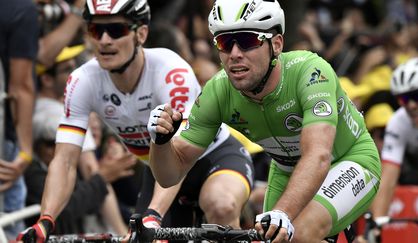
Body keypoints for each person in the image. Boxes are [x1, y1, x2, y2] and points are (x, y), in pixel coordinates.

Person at [16, 0, 254, 242]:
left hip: (210, 157)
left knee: (221, 205)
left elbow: (181, 153)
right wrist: (45, 222)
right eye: (96, 31)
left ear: (141, 33)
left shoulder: (170, 71)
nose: (105, 40)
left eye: (116, 30)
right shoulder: (82, 80)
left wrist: (153, 214)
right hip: (160, 170)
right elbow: (65, 160)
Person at [146, 0, 381, 242]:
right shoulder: (218, 92)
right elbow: (169, 176)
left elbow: (318, 156)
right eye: (225, 43)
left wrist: (282, 212)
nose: (235, 54)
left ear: (276, 44)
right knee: (274, 238)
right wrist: (161, 142)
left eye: (248, 41)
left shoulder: (310, 72)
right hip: (287, 170)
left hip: (349, 160)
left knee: (297, 235)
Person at [25, 102, 133, 234]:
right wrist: (101, 177)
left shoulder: (89, 159)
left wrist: (119, 158)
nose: (55, 150)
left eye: (59, 143)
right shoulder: (32, 173)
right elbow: (65, 209)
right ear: (36, 146)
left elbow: (131, 193)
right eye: (49, 144)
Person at [370, 57, 418, 223]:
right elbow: (388, 177)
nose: (411, 105)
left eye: (417, 96)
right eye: (404, 99)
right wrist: (376, 226)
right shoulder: (399, 121)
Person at [0, 0, 39, 240]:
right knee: (9, 227)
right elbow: (21, 86)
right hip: (4, 140)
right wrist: (25, 152)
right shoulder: (20, 9)